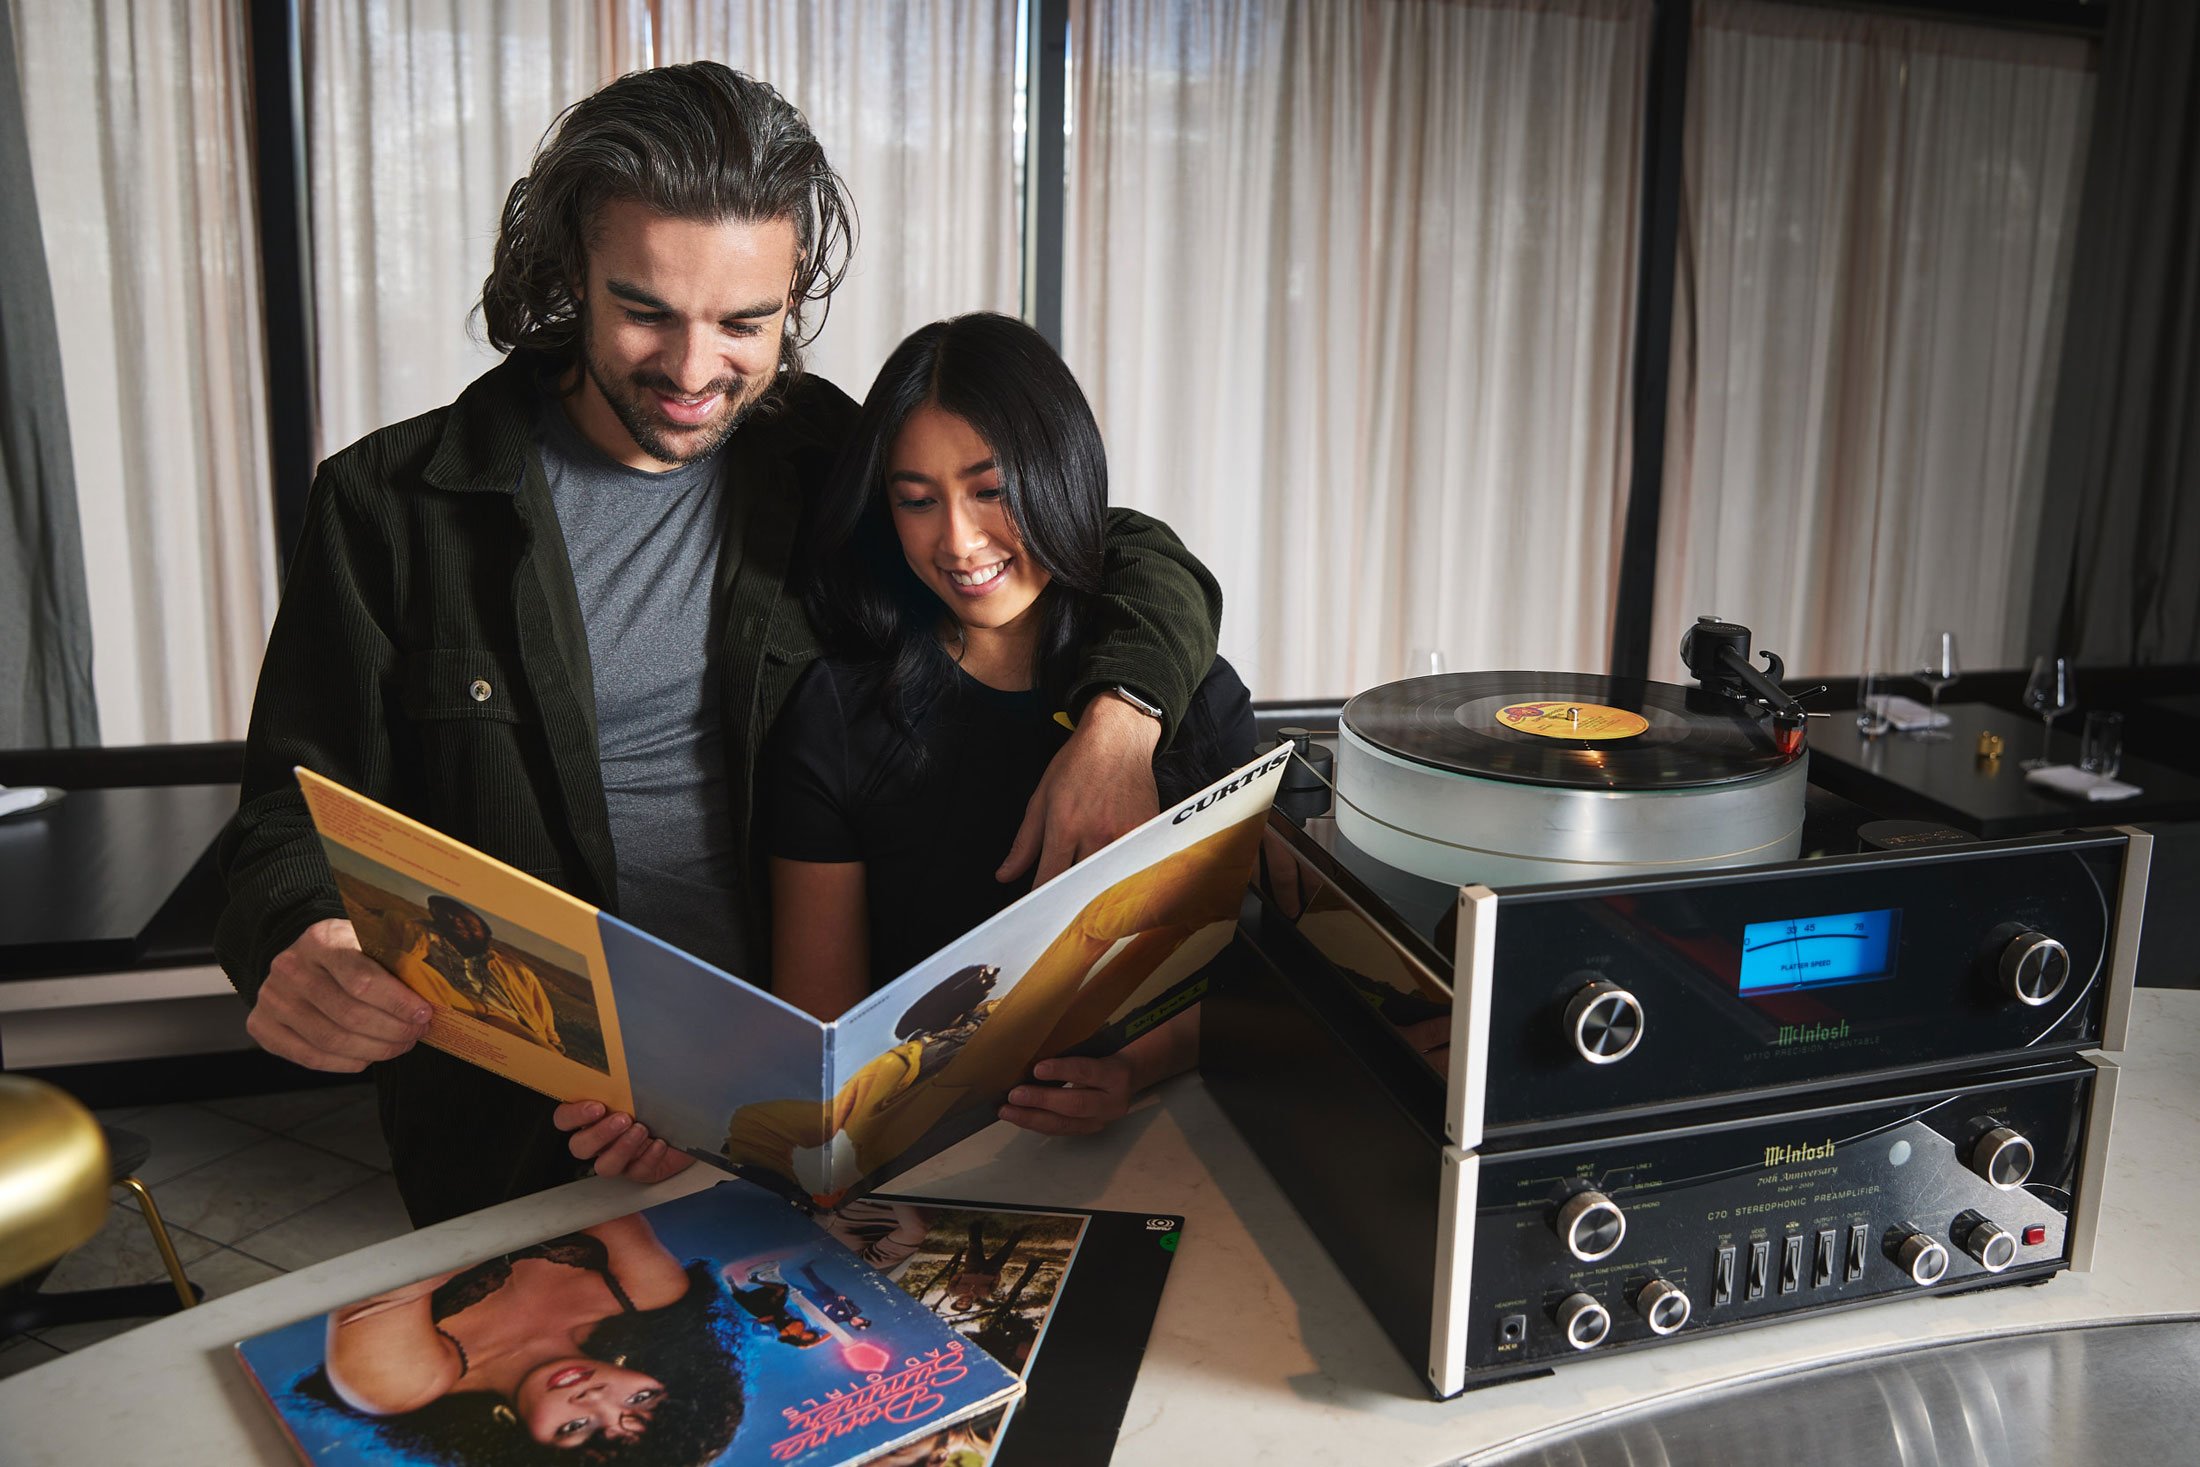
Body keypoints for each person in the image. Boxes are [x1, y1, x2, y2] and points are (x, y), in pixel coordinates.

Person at [215, 64, 1225, 1227]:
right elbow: (289, 812)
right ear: (569, 281)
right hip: (521, 1118)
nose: (696, 372)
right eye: (645, 309)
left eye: (744, 323)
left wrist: (1122, 716)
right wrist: (305, 937)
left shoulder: (820, 456)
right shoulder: (392, 504)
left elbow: (1113, 547)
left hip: (804, 1100)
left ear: (791, 300)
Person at [567, 314, 1257, 1191]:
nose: (959, 542)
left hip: (1176, 1150)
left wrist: (1134, 1069)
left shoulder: (1185, 691)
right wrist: (700, 1113)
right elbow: (820, 1037)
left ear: (1062, 473)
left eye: (991, 488)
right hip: (921, 1177)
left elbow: (1257, 982)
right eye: (917, 498)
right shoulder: (839, 715)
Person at [296, 1215, 744, 1464]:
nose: (595, 1399)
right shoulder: (651, 1292)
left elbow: (394, 1263)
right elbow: (593, 1186)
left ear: (526, 1449)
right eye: (643, 1398)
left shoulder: (393, 1385)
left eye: (575, 1429)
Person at [389, 896, 566, 1054]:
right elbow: (403, 962)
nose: (457, 923)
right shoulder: (426, 939)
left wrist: (553, 1043)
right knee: (406, 962)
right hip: (459, 1003)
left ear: (485, 933)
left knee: (533, 1048)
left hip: (501, 1017)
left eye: (468, 924)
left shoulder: (515, 969)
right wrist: (419, 939)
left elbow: (542, 1010)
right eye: (450, 918)